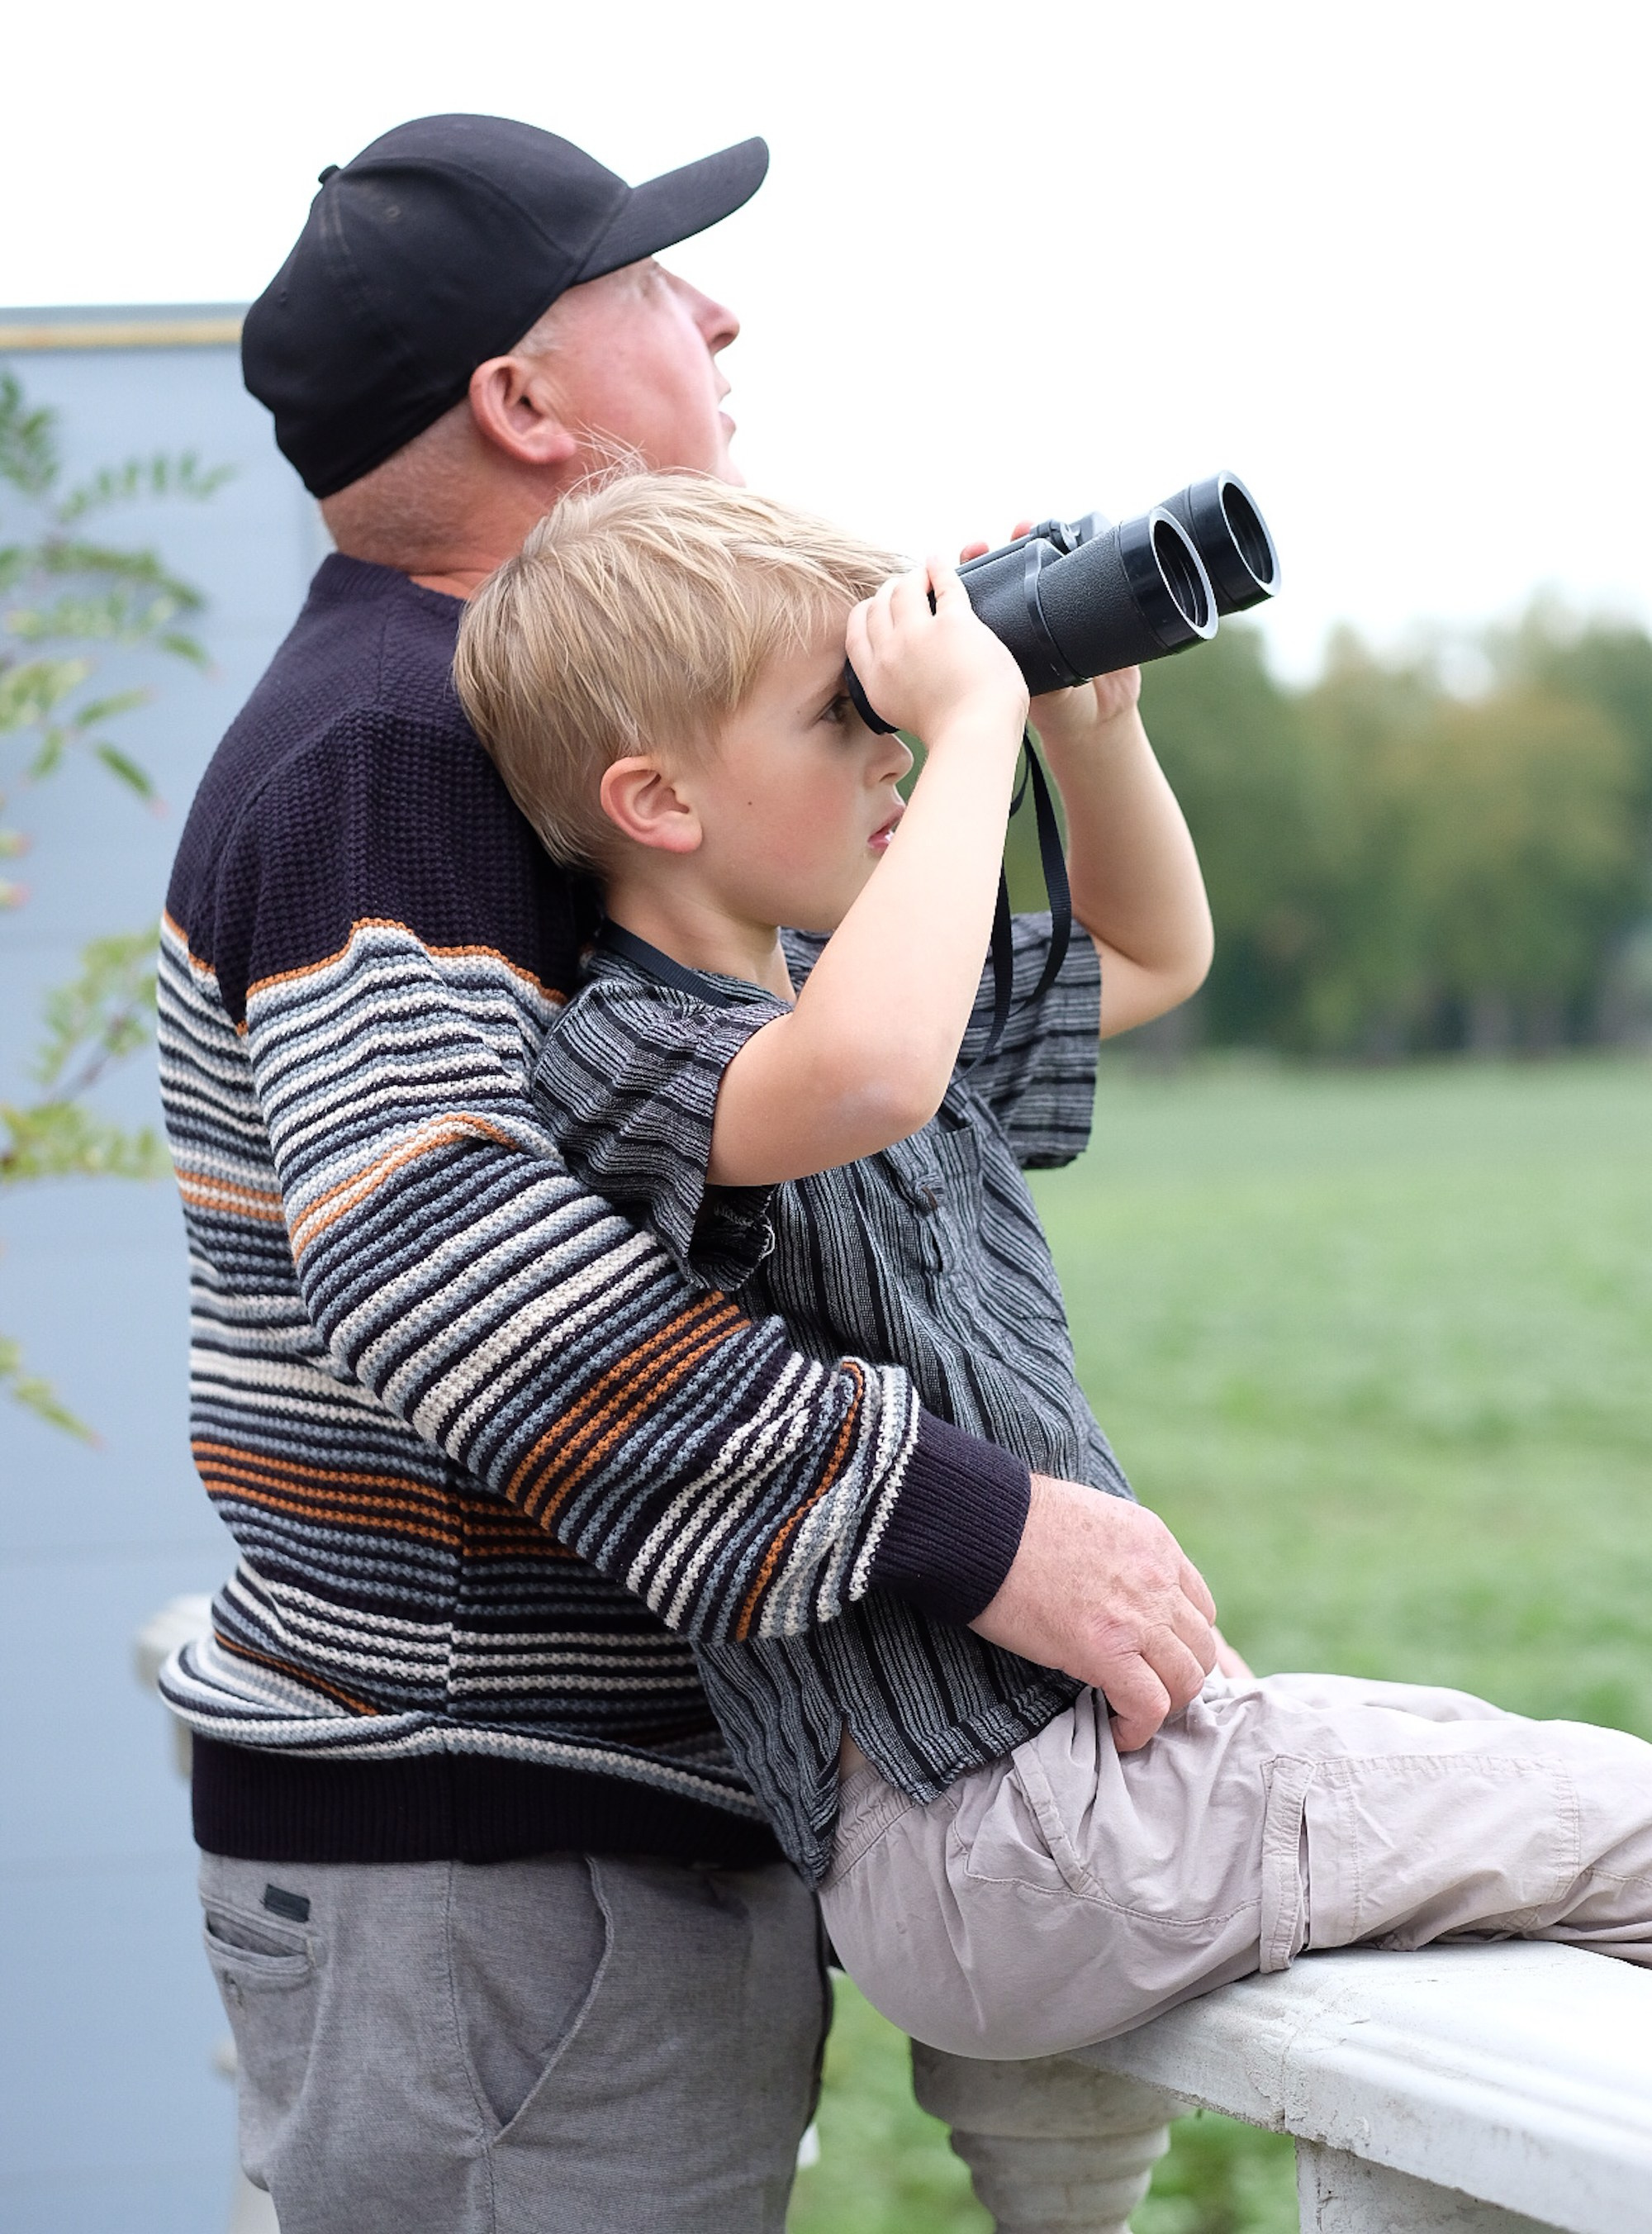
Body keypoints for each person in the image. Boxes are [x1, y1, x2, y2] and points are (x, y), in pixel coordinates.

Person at [156, 113, 1222, 2234]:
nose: (721, 313)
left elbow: (1050, 1002)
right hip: (490, 1857)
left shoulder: (557, 756)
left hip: (531, 1856)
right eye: (652, 285)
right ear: (525, 403)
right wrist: (967, 1522)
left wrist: (1056, 727)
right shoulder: (404, 749)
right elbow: (446, 1278)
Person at [454, 470, 1652, 2069]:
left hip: (1081, 1794)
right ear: (659, 804)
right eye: (841, 719)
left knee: (1540, 1775)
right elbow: (868, 1072)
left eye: (890, 713)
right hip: (991, 1839)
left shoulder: (858, 983)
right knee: (1623, 1827)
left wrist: (1088, 734)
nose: (887, 748)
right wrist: (970, 730)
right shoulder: (636, 1053)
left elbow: (1154, 956)